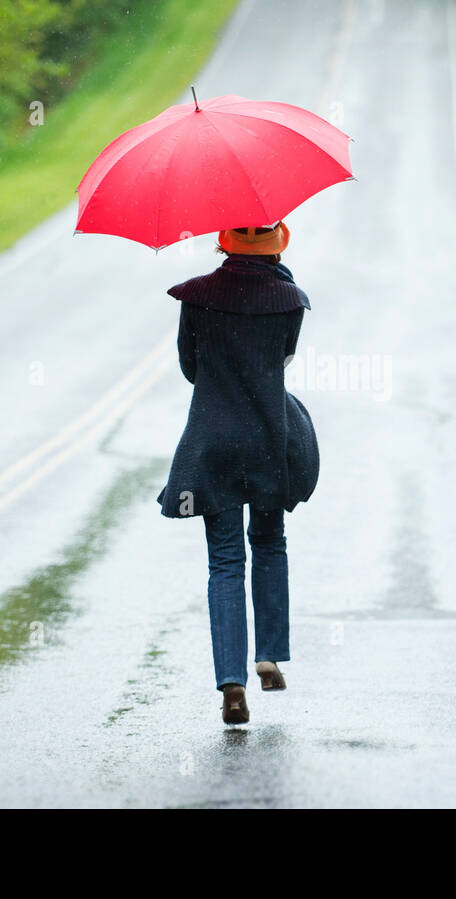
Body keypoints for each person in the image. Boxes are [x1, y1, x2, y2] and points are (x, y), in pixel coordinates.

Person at [156, 221, 319, 725]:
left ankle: (232, 683)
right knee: (269, 541)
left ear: (222, 241)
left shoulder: (197, 296)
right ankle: (269, 655)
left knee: (225, 562)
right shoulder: (290, 300)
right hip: (271, 439)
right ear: (278, 244)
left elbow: (191, 367)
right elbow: (283, 360)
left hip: (214, 440)